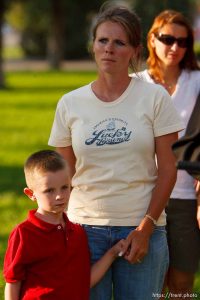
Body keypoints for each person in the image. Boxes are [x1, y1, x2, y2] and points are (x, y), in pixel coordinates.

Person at [48, 4, 184, 300]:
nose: (109, 48)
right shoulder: (69, 103)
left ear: (135, 50)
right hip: (83, 229)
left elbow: (169, 169)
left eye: (119, 42)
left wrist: (146, 228)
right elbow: (64, 174)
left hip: (141, 228)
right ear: (93, 46)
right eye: (103, 40)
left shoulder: (155, 98)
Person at [131, 9, 200, 297]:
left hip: (185, 195)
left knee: (182, 282)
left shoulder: (197, 81)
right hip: (142, 195)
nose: (175, 47)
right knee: (152, 282)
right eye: (168, 39)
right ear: (152, 39)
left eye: (183, 42)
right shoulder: (135, 83)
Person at [3, 150, 128, 300]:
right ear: (31, 194)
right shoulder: (24, 233)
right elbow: (12, 282)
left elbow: (84, 282)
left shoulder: (77, 232)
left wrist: (112, 253)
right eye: (49, 190)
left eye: (64, 187)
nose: (59, 196)